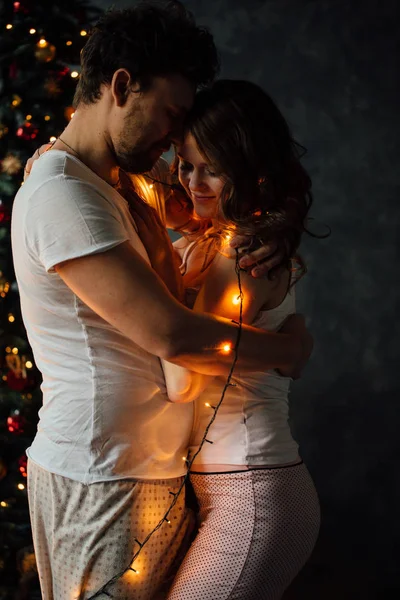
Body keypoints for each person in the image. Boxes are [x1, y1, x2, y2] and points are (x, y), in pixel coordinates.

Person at [13, 4, 312, 600]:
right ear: (122, 86)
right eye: (170, 116)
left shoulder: (115, 184)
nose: (172, 148)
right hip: (105, 471)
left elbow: (213, 200)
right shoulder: (67, 194)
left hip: (152, 472)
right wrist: (287, 349)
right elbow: (173, 337)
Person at [156, 80, 320, 600]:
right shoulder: (214, 240)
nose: (194, 182)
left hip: (252, 494)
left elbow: (182, 379)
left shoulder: (244, 252)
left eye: (213, 168)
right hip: (233, 489)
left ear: (249, 168)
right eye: (185, 163)